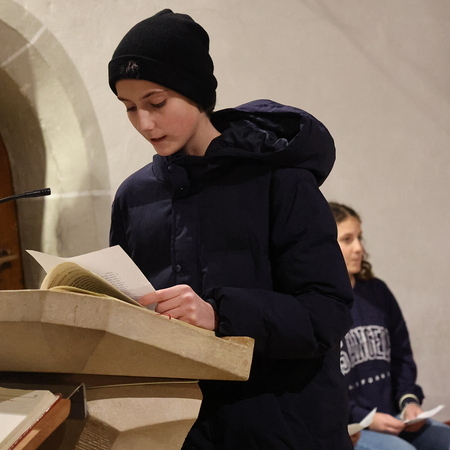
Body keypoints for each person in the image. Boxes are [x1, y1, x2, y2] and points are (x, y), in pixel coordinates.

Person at [107, 9, 355, 449]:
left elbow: (326, 314)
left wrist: (220, 314)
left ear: (196, 93)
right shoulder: (134, 197)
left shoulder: (279, 180)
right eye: (129, 108)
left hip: (284, 430)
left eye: (157, 103)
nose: (144, 123)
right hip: (182, 433)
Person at [330, 202, 450, 450]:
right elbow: (323, 388)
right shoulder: (319, 303)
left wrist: (409, 402)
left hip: (394, 416)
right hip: (352, 427)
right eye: (347, 239)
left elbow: (402, 356)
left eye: (360, 238)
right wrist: (365, 418)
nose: (359, 248)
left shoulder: (378, 292)